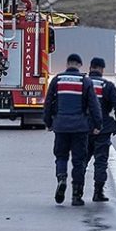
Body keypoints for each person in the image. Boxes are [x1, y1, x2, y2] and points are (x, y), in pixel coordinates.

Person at [44, 53, 102, 206]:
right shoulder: (85, 81)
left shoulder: (57, 80)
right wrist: (97, 125)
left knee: (61, 156)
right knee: (79, 161)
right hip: (80, 128)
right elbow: (94, 106)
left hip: (61, 126)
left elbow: (48, 102)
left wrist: (48, 122)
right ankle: (77, 195)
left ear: (67, 64)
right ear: (79, 65)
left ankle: (61, 178)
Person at [84, 57, 116, 202]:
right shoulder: (107, 86)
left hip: (83, 128)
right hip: (103, 128)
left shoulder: (82, 84)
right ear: (101, 69)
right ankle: (98, 192)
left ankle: (77, 192)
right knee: (100, 161)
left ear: (90, 67)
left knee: (81, 160)